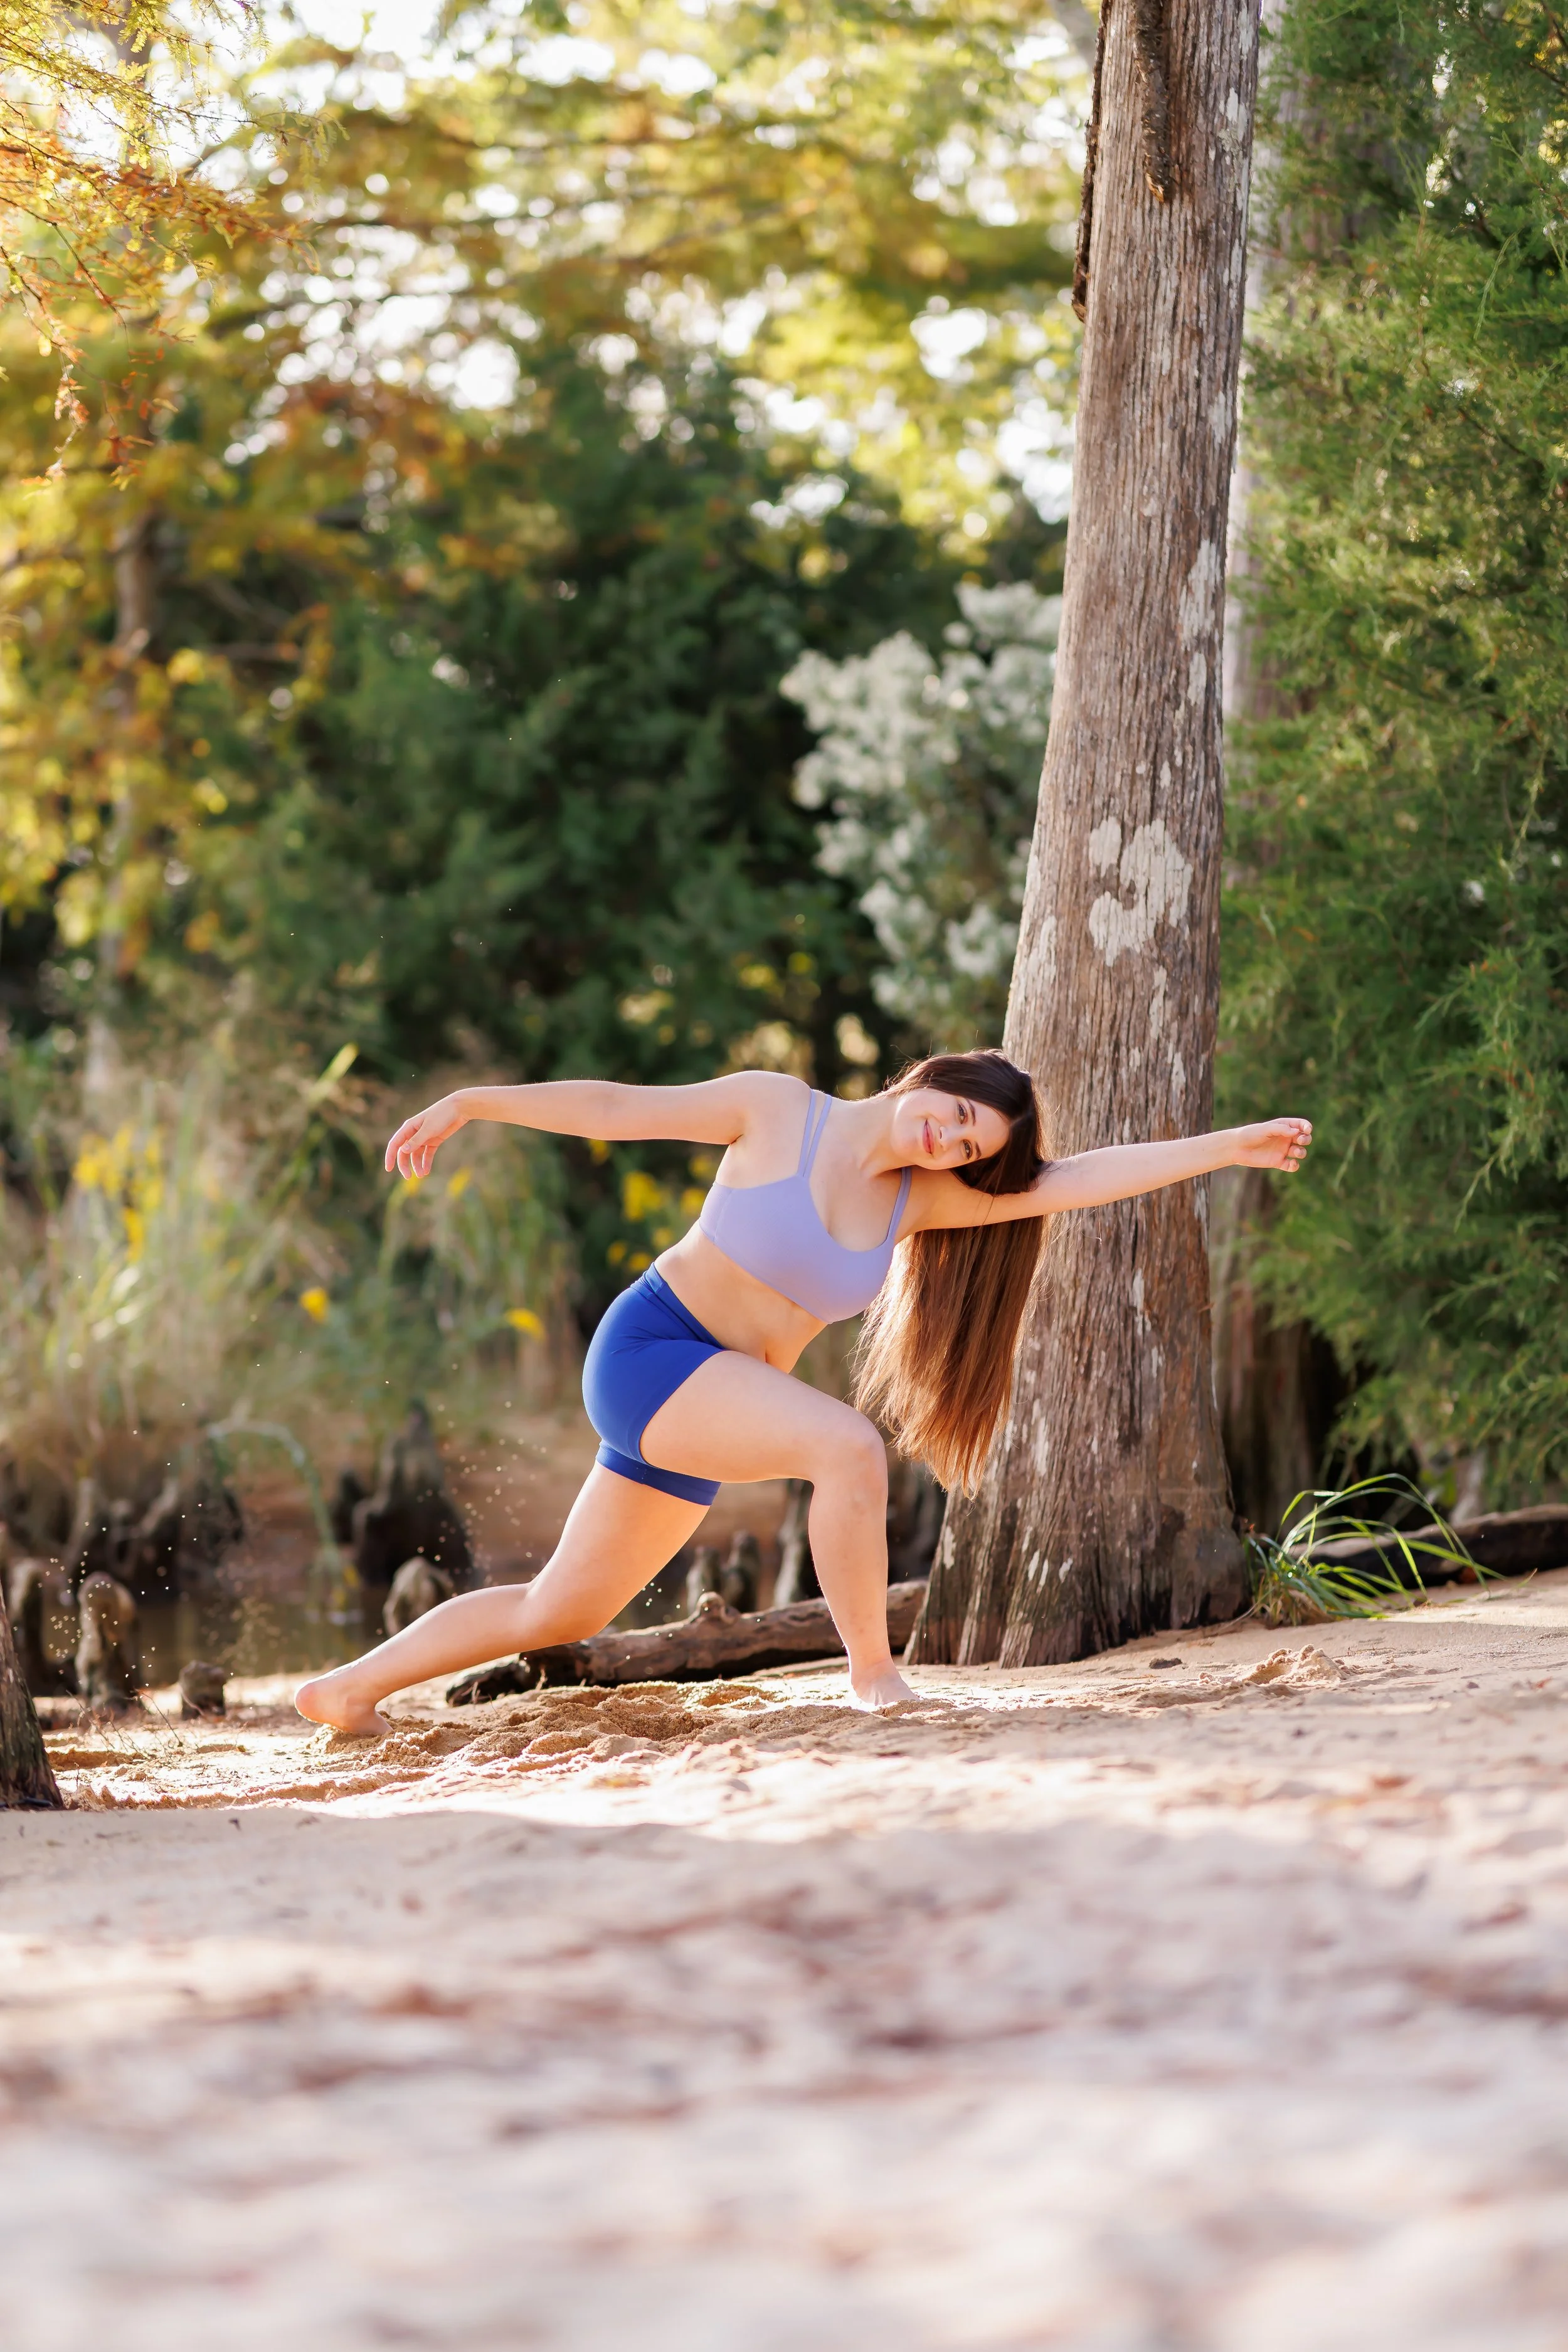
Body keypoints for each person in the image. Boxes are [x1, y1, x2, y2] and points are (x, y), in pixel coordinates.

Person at [295, 1052, 1311, 1733]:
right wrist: (474, 1103)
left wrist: (1225, 1147)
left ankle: (348, 1690)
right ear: (928, 1077)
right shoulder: (779, 1108)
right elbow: (618, 1109)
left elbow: (1070, 1180)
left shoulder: (917, 1202)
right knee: (848, 1448)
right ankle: (874, 1674)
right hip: (653, 1349)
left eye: (970, 1147)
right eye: (954, 1115)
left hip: (715, 1399)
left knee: (559, 1606)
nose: (948, 1141)